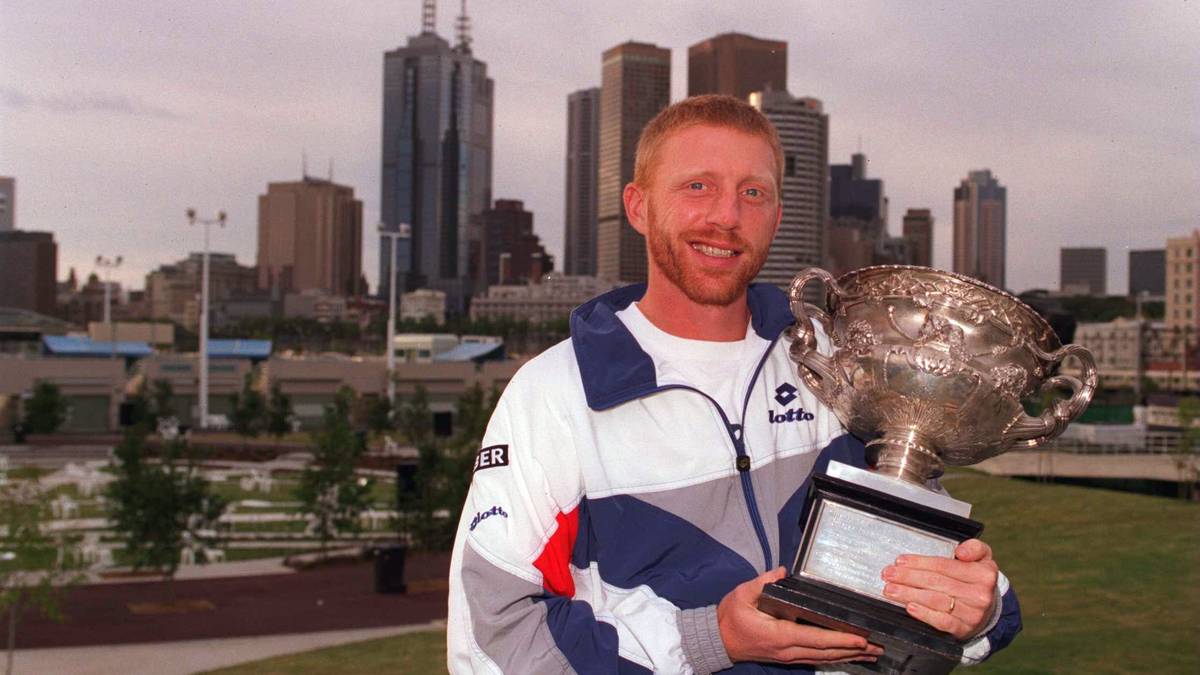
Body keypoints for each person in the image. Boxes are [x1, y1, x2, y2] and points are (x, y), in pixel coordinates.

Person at [447, 94, 1021, 674]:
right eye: (697, 186)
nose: (727, 216)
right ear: (639, 207)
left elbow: (916, 564)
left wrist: (979, 608)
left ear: (776, 215)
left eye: (753, 193)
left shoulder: (836, 364)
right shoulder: (554, 395)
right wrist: (710, 638)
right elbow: (493, 642)